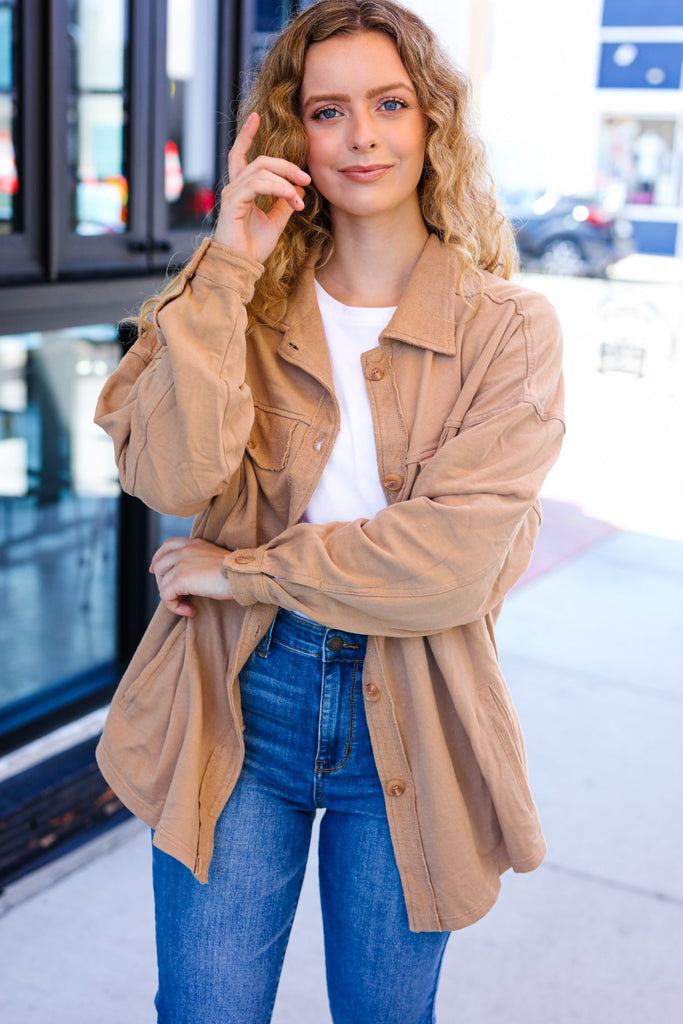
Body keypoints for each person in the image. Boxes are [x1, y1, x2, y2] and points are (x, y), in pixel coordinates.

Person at [94, 1, 564, 1021]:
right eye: (327, 110)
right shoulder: (242, 301)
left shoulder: (509, 330)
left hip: (415, 704)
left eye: (389, 104)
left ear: (430, 122)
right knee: (205, 1008)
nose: (360, 135)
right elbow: (171, 476)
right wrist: (229, 258)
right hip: (238, 694)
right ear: (286, 133)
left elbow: (447, 563)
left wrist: (238, 569)